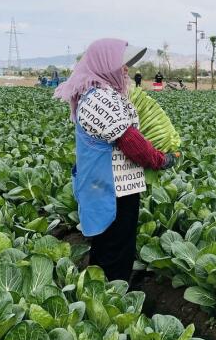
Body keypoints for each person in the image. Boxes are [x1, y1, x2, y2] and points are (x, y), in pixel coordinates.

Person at [54, 39, 177, 284]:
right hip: (113, 188)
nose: (126, 70)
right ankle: (112, 298)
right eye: (121, 65)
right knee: (116, 249)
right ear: (104, 65)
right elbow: (131, 142)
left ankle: (101, 295)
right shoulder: (100, 98)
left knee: (107, 244)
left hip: (106, 185)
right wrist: (161, 160)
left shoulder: (98, 93)